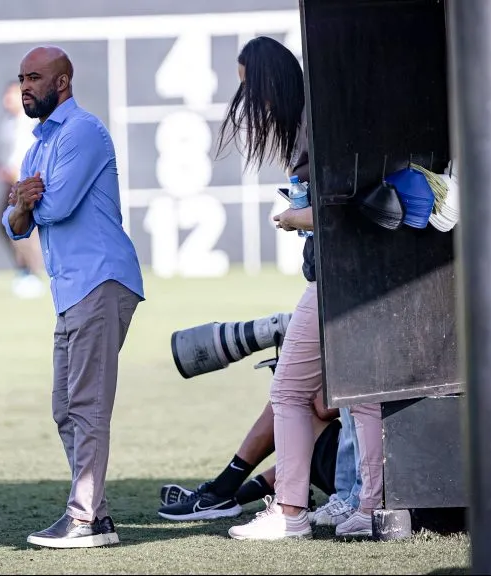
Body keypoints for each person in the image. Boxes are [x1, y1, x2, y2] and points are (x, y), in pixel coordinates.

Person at [218, 36, 383, 541]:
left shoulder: (320, 120)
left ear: (270, 80)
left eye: (250, 87)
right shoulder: (317, 118)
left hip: (345, 275)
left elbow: (347, 206)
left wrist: (296, 218)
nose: (249, 102)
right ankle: (358, 506)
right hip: (346, 274)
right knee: (349, 395)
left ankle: (302, 511)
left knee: (310, 392)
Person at [4, 46, 145, 549]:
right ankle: (97, 517)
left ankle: (84, 518)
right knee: (65, 408)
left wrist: (26, 203)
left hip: (99, 280)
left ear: (62, 82)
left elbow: (56, 205)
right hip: (72, 289)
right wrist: (23, 203)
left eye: (34, 77)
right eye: (22, 78)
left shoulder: (82, 130)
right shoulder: (38, 146)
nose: (25, 86)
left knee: (85, 405)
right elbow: (13, 224)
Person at [157, 398, 340, 521]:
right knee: (290, 401)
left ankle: (220, 492)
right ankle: (224, 496)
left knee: (290, 399)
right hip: (347, 470)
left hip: (349, 474)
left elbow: (325, 409)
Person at [0, 81, 45, 298]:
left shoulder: (31, 121)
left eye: (12, 95)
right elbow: (4, 153)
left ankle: (32, 274)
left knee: (23, 228)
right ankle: (24, 269)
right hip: (11, 183)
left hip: (26, 183)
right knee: (3, 224)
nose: (7, 100)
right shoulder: (8, 122)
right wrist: (1, 167)